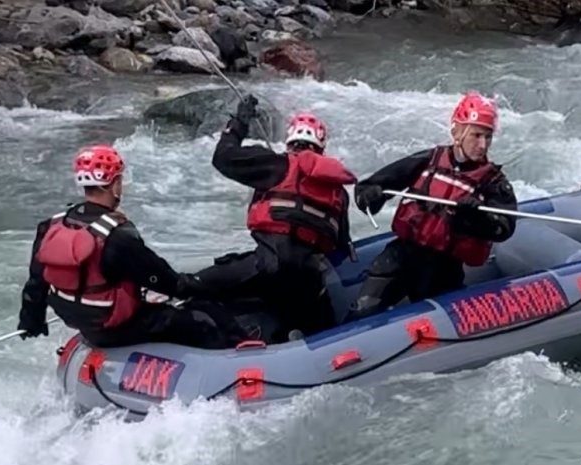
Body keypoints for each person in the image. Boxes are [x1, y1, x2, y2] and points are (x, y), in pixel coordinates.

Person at [16, 145, 252, 349]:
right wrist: (204, 288)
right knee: (201, 319)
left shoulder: (52, 226)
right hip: (117, 329)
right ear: (114, 184)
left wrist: (31, 320)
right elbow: (169, 282)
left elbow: (36, 284)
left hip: (84, 324)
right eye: (120, 179)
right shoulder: (118, 236)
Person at [345, 91, 518, 321]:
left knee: (435, 318)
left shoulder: (493, 182)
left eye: (488, 137)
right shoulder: (429, 161)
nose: (483, 144)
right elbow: (370, 187)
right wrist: (370, 195)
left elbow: (504, 227)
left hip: (443, 268)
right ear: (458, 131)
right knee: (363, 311)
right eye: (476, 135)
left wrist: (475, 218)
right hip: (402, 255)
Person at [197, 94, 357, 342]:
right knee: (321, 328)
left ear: (290, 141)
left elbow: (223, 157)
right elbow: (339, 244)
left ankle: (228, 339)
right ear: (321, 148)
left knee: (193, 284)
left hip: (268, 268)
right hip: (309, 283)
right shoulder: (338, 193)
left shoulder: (275, 164)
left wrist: (240, 122)